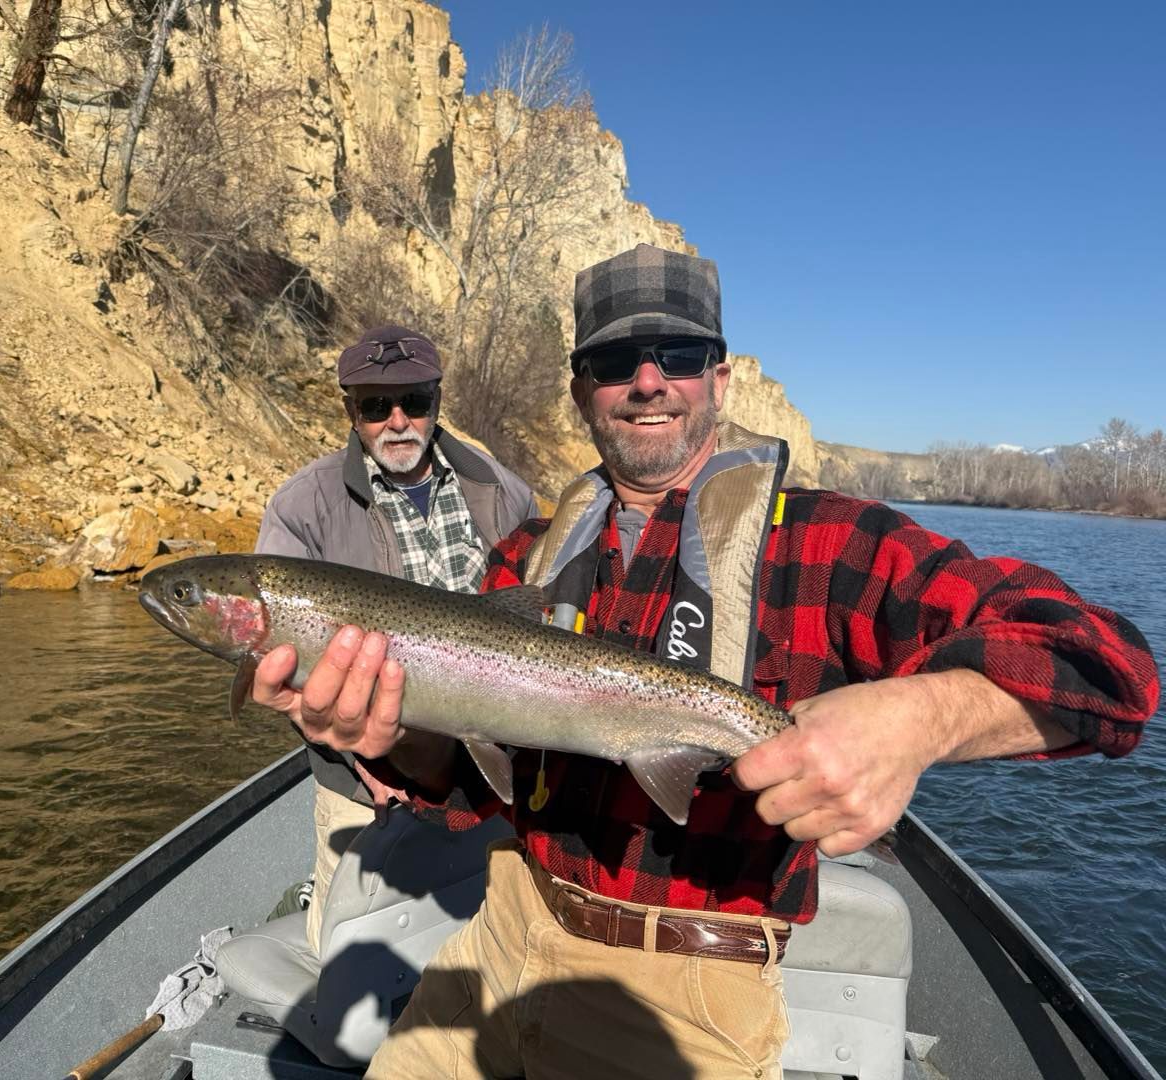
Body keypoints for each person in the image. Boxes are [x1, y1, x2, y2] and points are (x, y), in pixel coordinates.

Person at [251, 246, 1159, 1078]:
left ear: (719, 380)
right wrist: (395, 735)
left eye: (679, 357)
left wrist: (922, 717)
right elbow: (467, 789)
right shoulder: (522, 558)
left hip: (685, 1000)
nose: (648, 383)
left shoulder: (830, 541)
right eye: (615, 363)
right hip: (497, 936)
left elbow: (1110, 668)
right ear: (581, 392)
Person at [255, 323, 538, 955]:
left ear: (439, 401)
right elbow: (285, 661)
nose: (398, 420)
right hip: (367, 783)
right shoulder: (304, 505)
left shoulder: (503, 491)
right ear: (350, 411)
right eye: (376, 406)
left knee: (491, 944)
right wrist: (363, 762)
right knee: (347, 963)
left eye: (415, 401)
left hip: (486, 768)